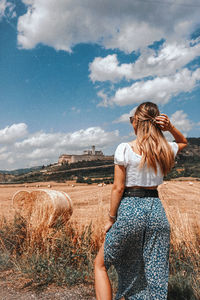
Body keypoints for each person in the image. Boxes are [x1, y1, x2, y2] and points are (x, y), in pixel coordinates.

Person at [94, 102, 187, 300]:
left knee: (100, 265)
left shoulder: (125, 149)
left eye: (132, 121)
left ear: (137, 122)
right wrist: (170, 128)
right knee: (152, 271)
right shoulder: (164, 150)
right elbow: (183, 141)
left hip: (130, 208)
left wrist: (111, 218)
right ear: (156, 124)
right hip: (156, 211)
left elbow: (118, 188)